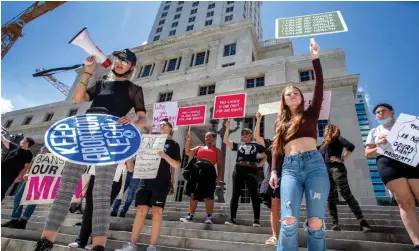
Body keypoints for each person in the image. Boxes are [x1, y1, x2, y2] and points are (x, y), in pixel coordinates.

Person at [33, 49, 146, 251]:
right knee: (65, 188)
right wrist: (88, 71)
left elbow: (143, 118)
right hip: (85, 134)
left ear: (131, 66)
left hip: (110, 139)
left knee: (102, 193)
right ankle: (45, 242)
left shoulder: (134, 89)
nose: (119, 63)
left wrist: (133, 122)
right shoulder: (102, 83)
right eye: (117, 59)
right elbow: (78, 99)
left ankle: (98, 246)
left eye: (125, 61)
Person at [269, 39, 329, 251]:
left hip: (314, 165)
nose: (292, 94)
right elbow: (277, 149)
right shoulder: (280, 123)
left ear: (301, 97)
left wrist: (315, 58)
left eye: (296, 92)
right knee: (288, 220)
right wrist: (274, 172)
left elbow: (319, 85)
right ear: (284, 100)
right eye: (288, 94)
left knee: (315, 222)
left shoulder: (311, 112)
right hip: (290, 169)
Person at [115, 118, 181, 251]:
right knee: (140, 211)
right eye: (160, 124)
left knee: (157, 212)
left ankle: (152, 246)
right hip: (145, 179)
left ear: (170, 129)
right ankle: (132, 244)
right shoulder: (150, 140)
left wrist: (165, 156)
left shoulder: (173, 144)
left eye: (164, 125)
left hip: (161, 182)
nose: (161, 126)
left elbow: (177, 164)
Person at [365, 103, 419, 251]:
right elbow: (368, 153)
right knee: (405, 202)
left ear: (392, 112)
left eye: (383, 111)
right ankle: (417, 243)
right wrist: (380, 146)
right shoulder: (374, 131)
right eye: (377, 113)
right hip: (388, 164)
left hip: (412, 161)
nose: (379, 114)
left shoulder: (409, 125)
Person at [318, 124, 372, 232]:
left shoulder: (337, 138)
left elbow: (350, 146)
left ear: (329, 130)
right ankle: (335, 224)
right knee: (330, 197)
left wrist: (342, 158)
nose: (324, 132)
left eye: (325, 130)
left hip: (337, 169)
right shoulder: (322, 145)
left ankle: (362, 222)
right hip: (325, 172)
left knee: (345, 193)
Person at [68, 162, 130, 250]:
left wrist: (128, 160)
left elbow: (131, 168)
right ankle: (81, 241)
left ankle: (95, 242)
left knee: (102, 210)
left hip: (115, 177)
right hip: (97, 173)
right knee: (89, 207)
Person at [224, 123, 266, 227]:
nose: (245, 135)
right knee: (235, 194)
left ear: (251, 135)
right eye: (243, 134)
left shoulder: (256, 145)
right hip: (238, 169)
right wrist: (228, 128)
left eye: (247, 134)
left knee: (254, 195)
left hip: (251, 170)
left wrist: (260, 164)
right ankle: (232, 218)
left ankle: (256, 220)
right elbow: (226, 141)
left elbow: (266, 155)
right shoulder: (238, 145)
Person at [180, 129, 223, 224]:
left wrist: (219, 176)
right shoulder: (199, 147)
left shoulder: (217, 150)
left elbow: (219, 163)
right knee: (193, 194)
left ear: (214, 139)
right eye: (206, 136)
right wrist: (187, 141)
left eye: (210, 136)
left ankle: (209, 217)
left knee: (208, 195)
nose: (208, 138)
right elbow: (188, 152)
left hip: (209, 170)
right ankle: (190, 215)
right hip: (196, 169)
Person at [1, 145, 49, 229]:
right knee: (18, 198)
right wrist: (27, 172)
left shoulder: (58, 152)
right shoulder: (45, 147)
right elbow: (33, 161)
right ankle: (14, 220)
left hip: (44, 178)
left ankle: (23, 221)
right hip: (33, 176)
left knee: (33, 200)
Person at [254, 112, 280, 245]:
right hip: (273, 174)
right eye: (277, 127)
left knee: (285, 205)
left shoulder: (291, 141)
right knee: (274, 205)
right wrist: (259, 120)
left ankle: (286, 234)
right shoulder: (270, 142)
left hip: (288, 173)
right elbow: (257, 137)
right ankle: (275, 236)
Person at [1, 135, 34, 201]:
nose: (22, 141)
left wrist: (20, 176)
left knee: (2, 190)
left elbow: (26, 167)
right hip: (2, 169)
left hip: (10, 175)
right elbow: (4, 140)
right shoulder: (15, 147)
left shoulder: (28, 154)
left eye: (24, 140)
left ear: (27, 143)